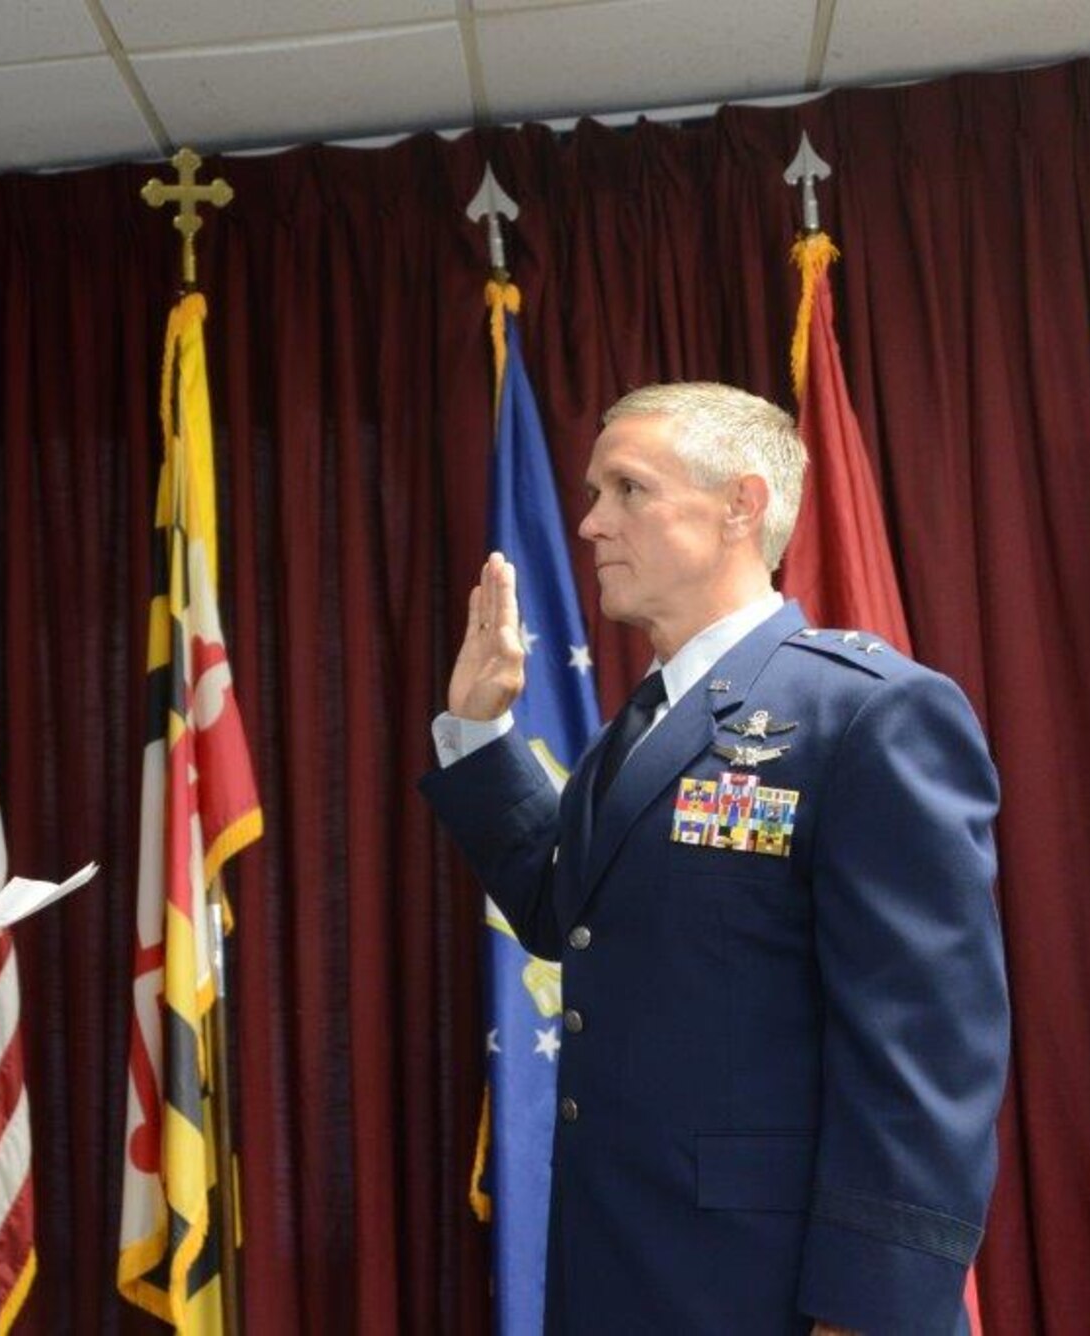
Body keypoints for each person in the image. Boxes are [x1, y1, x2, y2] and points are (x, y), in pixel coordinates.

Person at [421, 383, 1008, 1334]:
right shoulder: (642, 726)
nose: (589, 522)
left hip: (774, 1291)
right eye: (591, 492)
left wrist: (873, 1310)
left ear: (741, 504)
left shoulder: (865, 712)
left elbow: (928, 1046)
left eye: (627, 490)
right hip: (620, 1269)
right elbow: (565, 912)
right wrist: (479, 734)